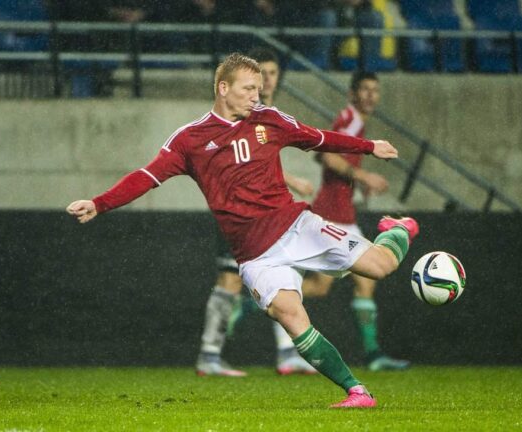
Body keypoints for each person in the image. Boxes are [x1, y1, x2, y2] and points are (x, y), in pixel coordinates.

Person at [67, 52, 419, 408]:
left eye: (259, 88)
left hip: (298, 227)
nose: (256, 95)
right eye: (249, 88)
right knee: (290, 315)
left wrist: (369, 147)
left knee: (382, 266)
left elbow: (317, 138)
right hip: (255, 256)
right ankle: (357, 392)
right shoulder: (190, 139)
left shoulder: (270, 119)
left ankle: (398, 228)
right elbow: (147, 176)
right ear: (223, 88)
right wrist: (100, 203)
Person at [195, 48, 318, 378]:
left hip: (267, 213)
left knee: (284, 272)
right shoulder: (240, 112)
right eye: (262, 73)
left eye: (273, 73)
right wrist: (293, 180)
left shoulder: (267, 113)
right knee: (229, 279)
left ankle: (288, 352)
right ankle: (209, 354)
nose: (268, 80)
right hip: (238, 210)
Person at [302, 70, 410, 372]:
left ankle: (373, 355)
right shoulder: (350, 119)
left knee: (360, 282)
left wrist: (355, 183)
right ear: (352, 94)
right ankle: (262, 299)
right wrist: (363, 176)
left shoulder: (354, 121)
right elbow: (328, 156)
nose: (371, 95)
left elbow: (324, 155)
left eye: (375, 90)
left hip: (342, 215)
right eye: (365, 89)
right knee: (323, 286)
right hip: (331, 216)